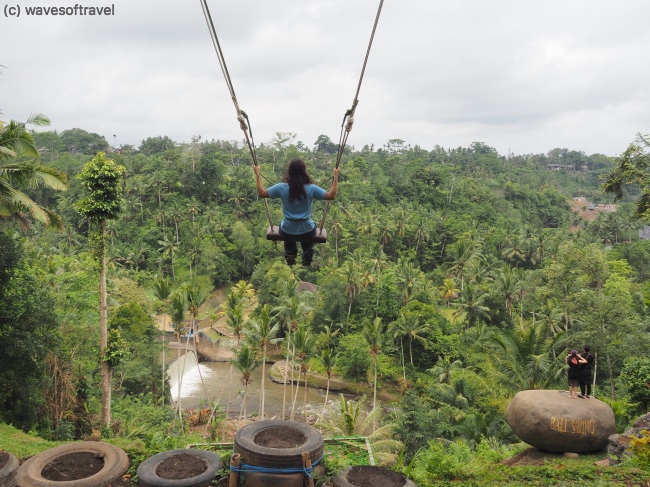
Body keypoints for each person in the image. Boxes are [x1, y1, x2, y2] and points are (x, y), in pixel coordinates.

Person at [254, 159, 339, 266]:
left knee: (286, 230)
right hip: (306, 229)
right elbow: (331, 195)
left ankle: (290, 254)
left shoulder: (281, 187)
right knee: (310, 231)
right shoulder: (311, 188)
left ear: (289, 172)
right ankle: (307, 258)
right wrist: (335, 177)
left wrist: (257, 174)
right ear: (304, 171)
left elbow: (261, 193)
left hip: (287, 229)